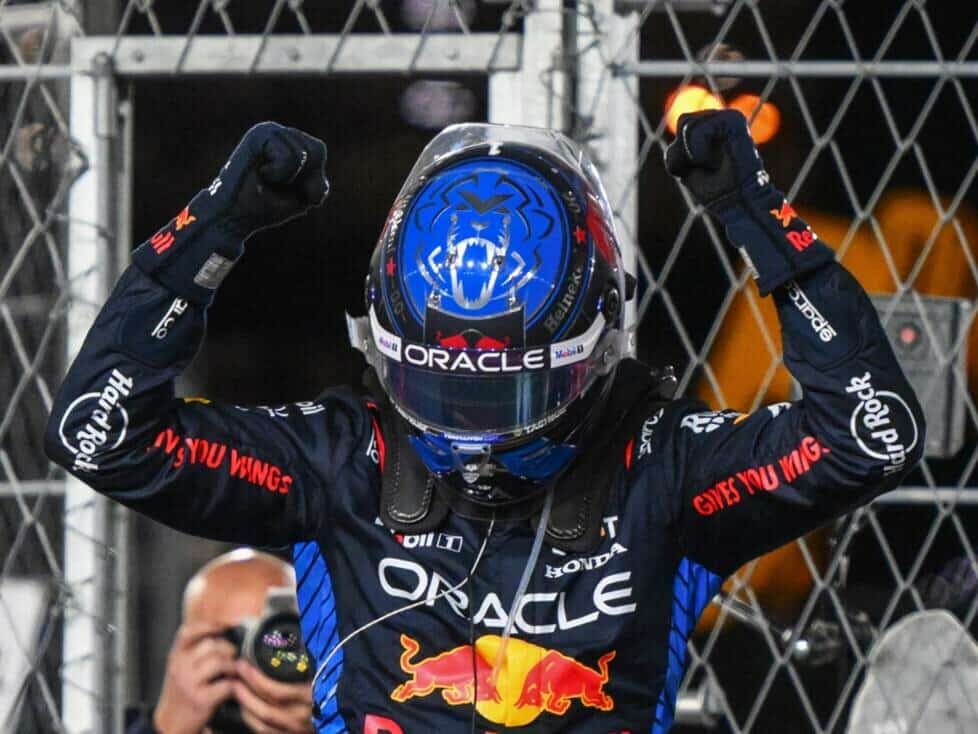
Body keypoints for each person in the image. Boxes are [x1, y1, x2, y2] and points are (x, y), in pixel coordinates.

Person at [47, 112, 925, 733]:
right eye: (442, 391)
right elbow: (100, 433)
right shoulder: (343, 458)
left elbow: (872, 434)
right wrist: (212, 229)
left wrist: (764, 223)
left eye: (504, 396)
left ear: (596, 348)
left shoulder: (663, 465)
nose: (472, 432)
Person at [126, 549, 314, 734]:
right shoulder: (111, 723)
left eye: (276, 638)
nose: (252, 657)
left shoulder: (329, 709)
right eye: (233, 638)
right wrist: (165, 728)